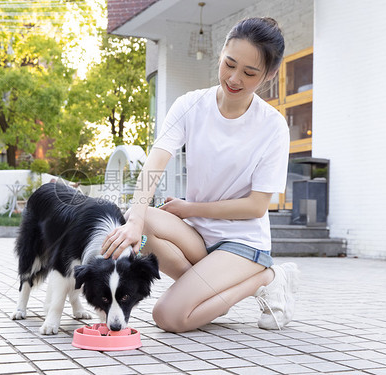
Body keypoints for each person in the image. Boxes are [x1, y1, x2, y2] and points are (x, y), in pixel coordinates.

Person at [101, 17, 299, 332]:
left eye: (249, 73)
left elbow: (256, 206)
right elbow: (156, 160)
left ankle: (266, 277)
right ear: (221, 53)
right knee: (138, 221)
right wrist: (136, 220)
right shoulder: (191, 105)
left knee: (168, 316)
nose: (234, 78)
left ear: (270, 74)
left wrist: (189, 208)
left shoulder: (272, 126)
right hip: (198, 236)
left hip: (241, 241)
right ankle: (209, 294)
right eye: (229, 64)